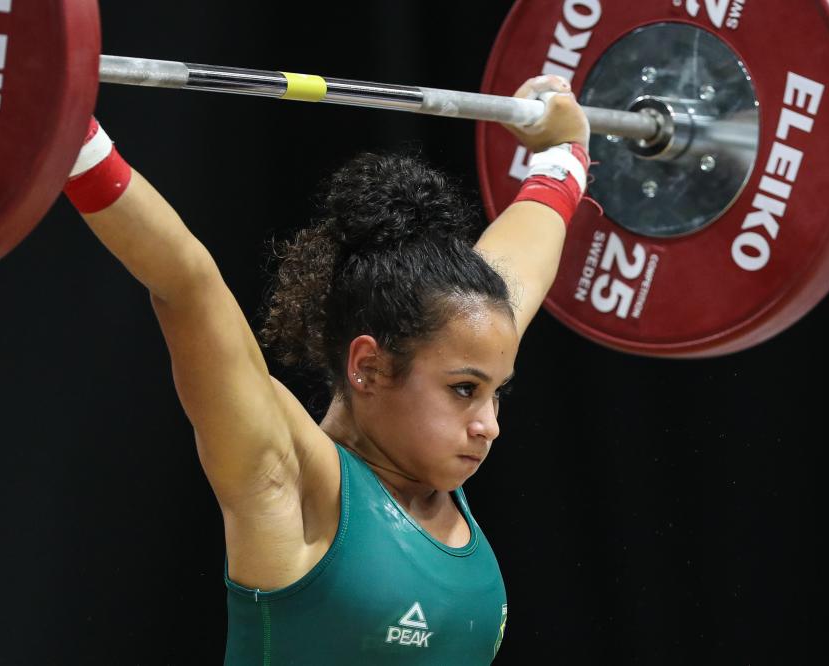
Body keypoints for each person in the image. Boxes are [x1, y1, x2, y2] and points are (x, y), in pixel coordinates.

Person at [63, 74, 590, 664]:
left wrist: (562, 156)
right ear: (368, 365)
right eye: (465, 391)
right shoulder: (291, 482)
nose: (488, 424)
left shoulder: (453, 375)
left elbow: (515, 276)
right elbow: (187, 281)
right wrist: (68, 135)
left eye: (495, 393)